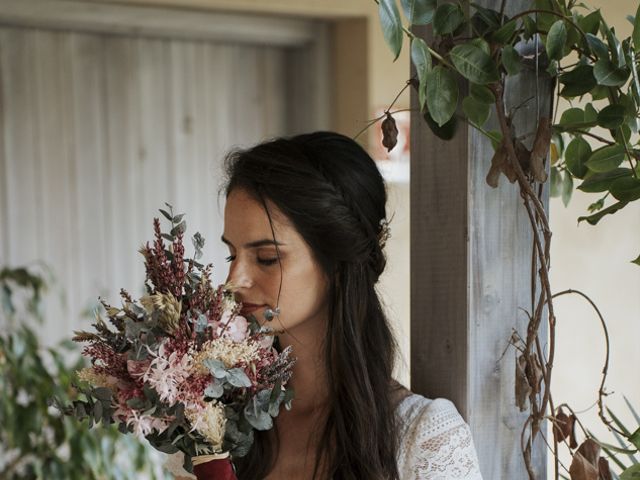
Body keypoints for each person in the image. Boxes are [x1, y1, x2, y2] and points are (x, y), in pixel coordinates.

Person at [169, 131, 483, 479]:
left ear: (335, 262)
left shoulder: (424, 439)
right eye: (232, 254)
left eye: (267, 258)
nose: (234, 279)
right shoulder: (211, 425)